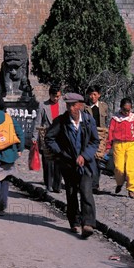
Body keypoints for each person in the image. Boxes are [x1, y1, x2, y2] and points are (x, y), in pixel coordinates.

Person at [45, 92, 99, 238]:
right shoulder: (61, 122)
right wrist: (61, 152)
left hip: (85, 164)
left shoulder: (88, 121)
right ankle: (74, 222)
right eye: (68, 105)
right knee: (71, 192)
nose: (70, 108)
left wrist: (85, 155)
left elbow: (95, 142)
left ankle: (88, 223)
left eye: (73, 105)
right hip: (68, 164)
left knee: (86, 191)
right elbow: (49, 138)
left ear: (80, 105)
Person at [105, 97, 134, 199]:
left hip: (132, 144)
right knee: (119, 168)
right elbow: (110, 133)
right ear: (121, 108)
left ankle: (131, 189)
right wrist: (108, 146)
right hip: (119, 145)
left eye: (129, 110)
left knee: (131, 168)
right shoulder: (115, 119)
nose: (127, 112)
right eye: (125, 110)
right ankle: (119, 182)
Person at [32, 87, 66, 193]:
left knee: (59, 160)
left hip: (60, 136)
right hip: (46, 136)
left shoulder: (63, 105)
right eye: (55, 96)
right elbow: (38, 122)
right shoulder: (43, 105)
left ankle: (57, 185)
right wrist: (34, 137)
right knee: (47, 161)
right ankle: (48, 184)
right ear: (50, 95)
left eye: (58, 96)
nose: (56, 98)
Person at [84, 86, 109, 193]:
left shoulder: (104, 106)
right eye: (90, 94)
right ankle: (89, 183)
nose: (92, 97)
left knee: (99, 161)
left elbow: (105, 121)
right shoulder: (85, 107)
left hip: (101, 138)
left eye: (95, 94)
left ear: (99, 95)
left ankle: (95, 184)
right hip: (89, 137)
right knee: (90, 160)